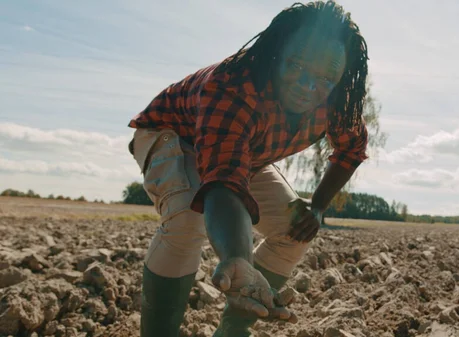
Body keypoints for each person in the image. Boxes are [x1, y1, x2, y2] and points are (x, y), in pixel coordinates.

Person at [126, 1, 370, 336]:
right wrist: (238, 258)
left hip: (245, 156)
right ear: (275, 51)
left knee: (295, 229)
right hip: (174, 136)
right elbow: (224, 183)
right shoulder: (233, 84)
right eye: (296, 65)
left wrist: (317, 207)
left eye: (326, 78)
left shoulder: (338, 103)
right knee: (186, 218)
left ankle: (231, 333)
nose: (308, 86)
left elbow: (351, 150)